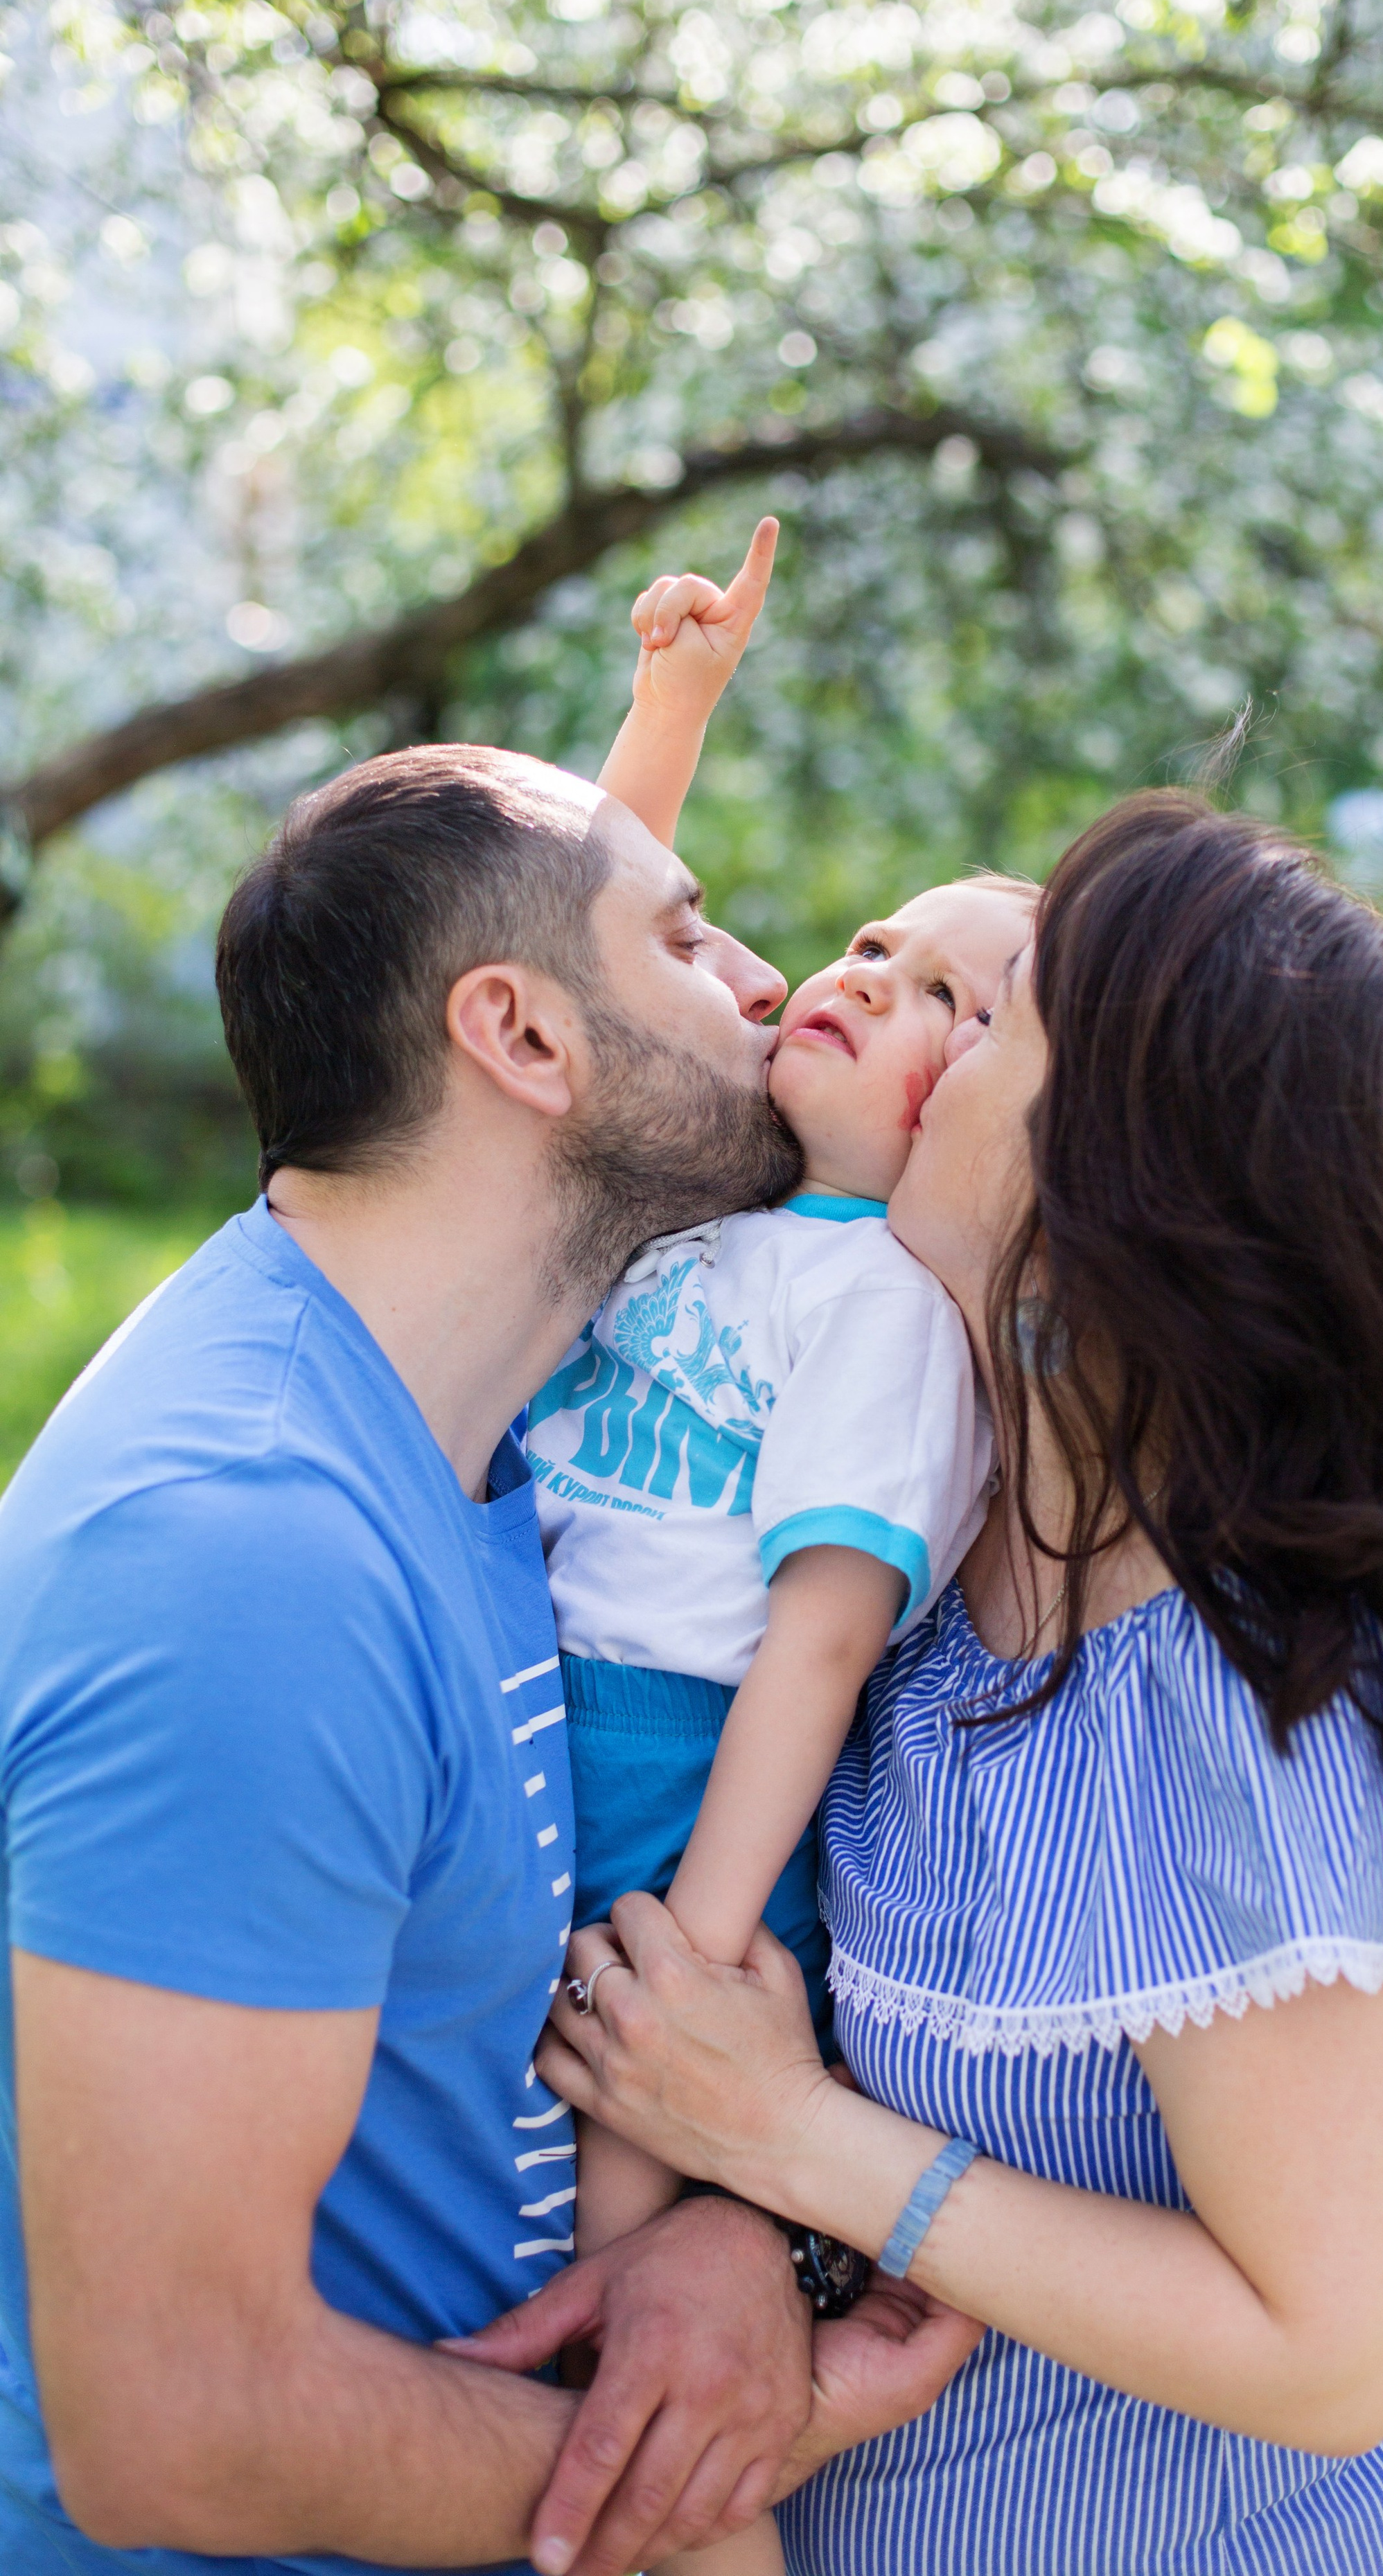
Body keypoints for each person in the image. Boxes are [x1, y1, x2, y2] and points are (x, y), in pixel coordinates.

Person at [495, 792, 1383, 2575]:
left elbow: (1325, 2350)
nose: (910, 1022)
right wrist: (757, 2232)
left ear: (1124, 1188)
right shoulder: (942, 1554)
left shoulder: (1253, 1703)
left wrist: (783, 2134)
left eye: (991, 1018)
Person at [0, 526, 979, 2576]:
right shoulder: (249, 1569)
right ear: (525, 1047)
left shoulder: (462, 1390)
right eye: (696, 941)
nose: (766, 981)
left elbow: (550, 945)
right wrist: (723, 2452)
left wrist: (706, 2249)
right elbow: (177, 2434)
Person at [518, 546, 1031, 2574]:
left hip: (678, 1804)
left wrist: (705, 1961)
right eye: (875, 943)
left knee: (637, 2339)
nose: (863, 976)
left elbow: (815, 1651)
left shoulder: (887, 1311)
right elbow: (571, 951)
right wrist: (675, 714)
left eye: (943, 1001)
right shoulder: (722, 1180)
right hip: (547, 1725)